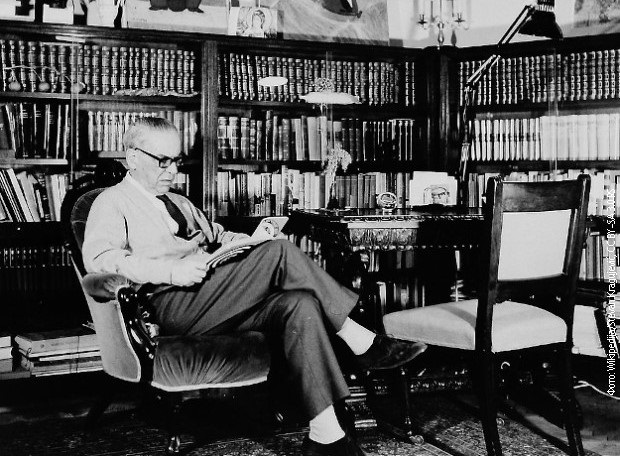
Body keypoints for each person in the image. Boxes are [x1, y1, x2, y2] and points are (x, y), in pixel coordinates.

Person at [82, 117, 427, 456]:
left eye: (177, 161)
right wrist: (171, 271)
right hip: (172, 304)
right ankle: (360, 339)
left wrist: (251, 240)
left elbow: (217, 236)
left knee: (300, 303)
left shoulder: (180, 202)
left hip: (212, 296)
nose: (173, 170)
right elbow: (100, 260)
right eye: (163, 161)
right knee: (281, 252)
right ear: (133, 157)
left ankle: (326, 434)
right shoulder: (112, 202)